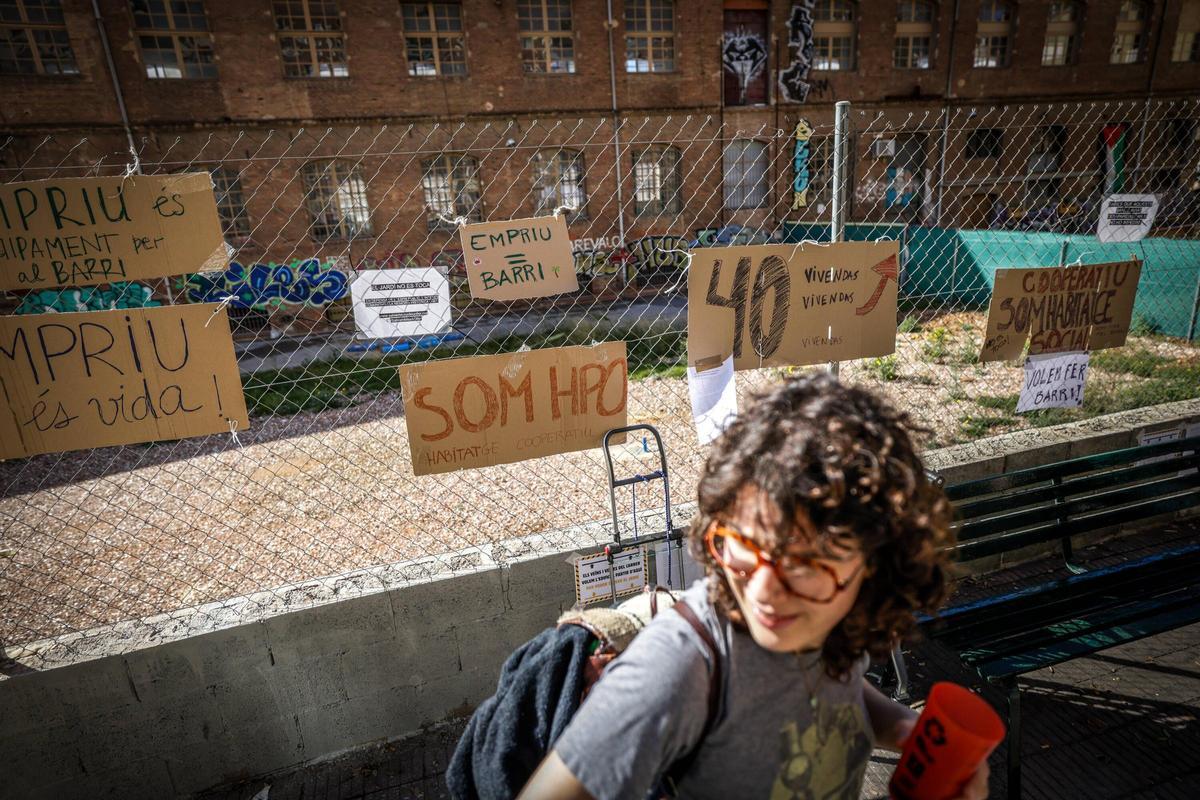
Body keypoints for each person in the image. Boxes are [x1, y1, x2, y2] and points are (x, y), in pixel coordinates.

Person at [519, 374, 989, 800]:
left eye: (805, 561)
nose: (764, 589)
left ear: (876, 564)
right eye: (744, 544)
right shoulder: (681, 667)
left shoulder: (828, 621)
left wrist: (905, 729)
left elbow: (838, 683)